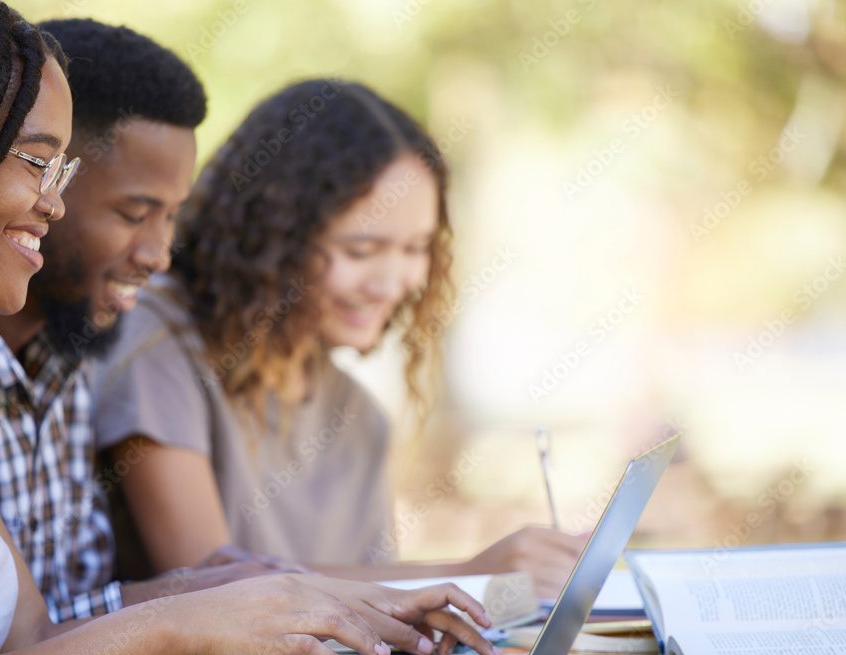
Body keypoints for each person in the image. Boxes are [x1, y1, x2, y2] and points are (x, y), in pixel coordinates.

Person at [0, 2, 504, 655]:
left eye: (62, 172)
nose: (54, 201)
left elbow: (31, 635)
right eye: (36, 163)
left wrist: (248, 594)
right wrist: (178, 623)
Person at [91, 79, 588, 597]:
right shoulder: (158, 344)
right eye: (361, 250)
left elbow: (375, 624)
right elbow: (210, 589)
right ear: (272, 237)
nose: (392, 282)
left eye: (415, 248)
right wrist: (467, 575)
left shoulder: (358, 417)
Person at [0, 17, 282, 624]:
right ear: (45, 180)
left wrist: (211, 588)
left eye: (171, 216)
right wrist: (182, 603)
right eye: (133, 212)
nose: (158, 252)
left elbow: (54, 614)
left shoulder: (73, 346)